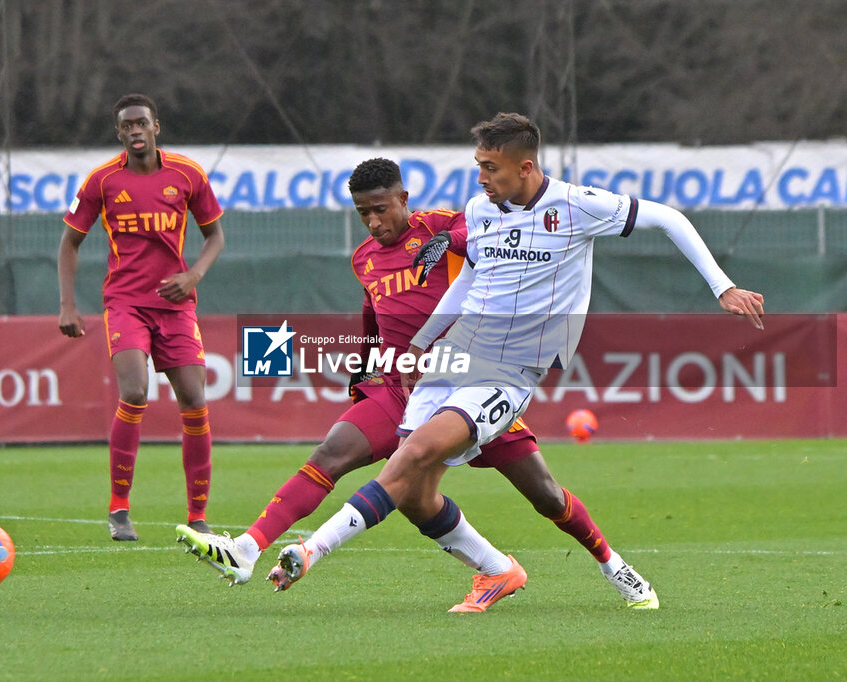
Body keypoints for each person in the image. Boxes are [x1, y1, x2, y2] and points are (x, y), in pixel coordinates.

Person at [265, 114, 766, 610]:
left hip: (511, 368)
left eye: (490, 168)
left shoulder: (577, 205)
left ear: (525, 167)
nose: (481, 179)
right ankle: (498, 572)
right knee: (415, 493)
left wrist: (723, 287)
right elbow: (471, 281)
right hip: (454, 356)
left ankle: (309, 551)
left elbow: (669, 218)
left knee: (432, 460)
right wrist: (421, 342)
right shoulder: (482, 210)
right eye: (478, 166)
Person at [177, 158, 661, 613]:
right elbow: (373, 317)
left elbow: (487, 238)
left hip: (472, 380)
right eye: (362, 212)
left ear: (403, 198)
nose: (373, 222)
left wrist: (451, 242)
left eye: (381, 209)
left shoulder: (441, 223)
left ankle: (614, 567)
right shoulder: (363, 258)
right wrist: (363, 370)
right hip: (400, 386)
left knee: (546, 496)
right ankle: (247, 548)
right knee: (340, 456)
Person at [58, 93, 225, 541]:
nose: (135, 130)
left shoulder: (187, 175)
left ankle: (197, 516)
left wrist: (193, 275)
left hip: (174, 305)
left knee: (195, 399)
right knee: (134, 391)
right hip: (126, 303)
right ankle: (118, 509)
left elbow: (215, 236)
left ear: (156, 127)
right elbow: (69, 242)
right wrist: (67, 305)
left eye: (141, 123)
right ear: (119, 133)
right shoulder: (102, 181)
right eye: (126, 125)